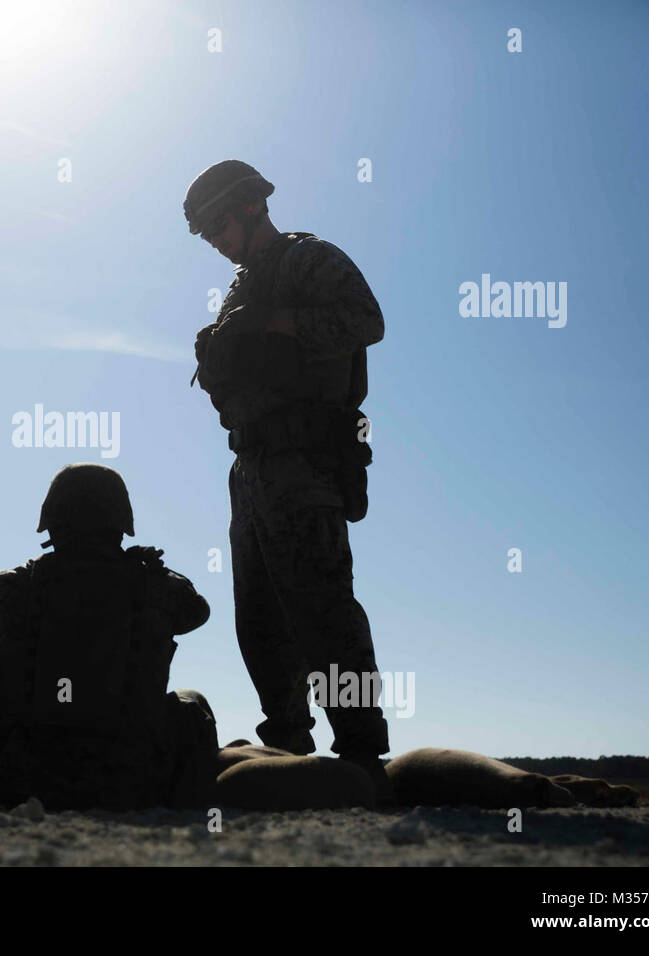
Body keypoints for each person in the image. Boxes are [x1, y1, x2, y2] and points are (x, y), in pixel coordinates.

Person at [184, 160, 391, 798]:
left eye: (217, 225)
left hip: (303, 463)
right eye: (204, 234)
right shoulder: (242, 288)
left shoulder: (307, 259)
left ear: (250, 207)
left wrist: (279, 325)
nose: (214, 242)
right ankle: (287, 747)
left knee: (321, 609)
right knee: (261, 620)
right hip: (251, 467)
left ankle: (360, 750)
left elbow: (366, 320)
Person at [0, 463, 219, 810]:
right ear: (121, 524)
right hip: (131, 779)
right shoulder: (158, 588)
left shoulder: (12, 586)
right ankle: (192, 805)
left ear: (51, 523)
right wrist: (145, 570)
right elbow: (198, 610)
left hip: (19, 777)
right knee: (192, 706)